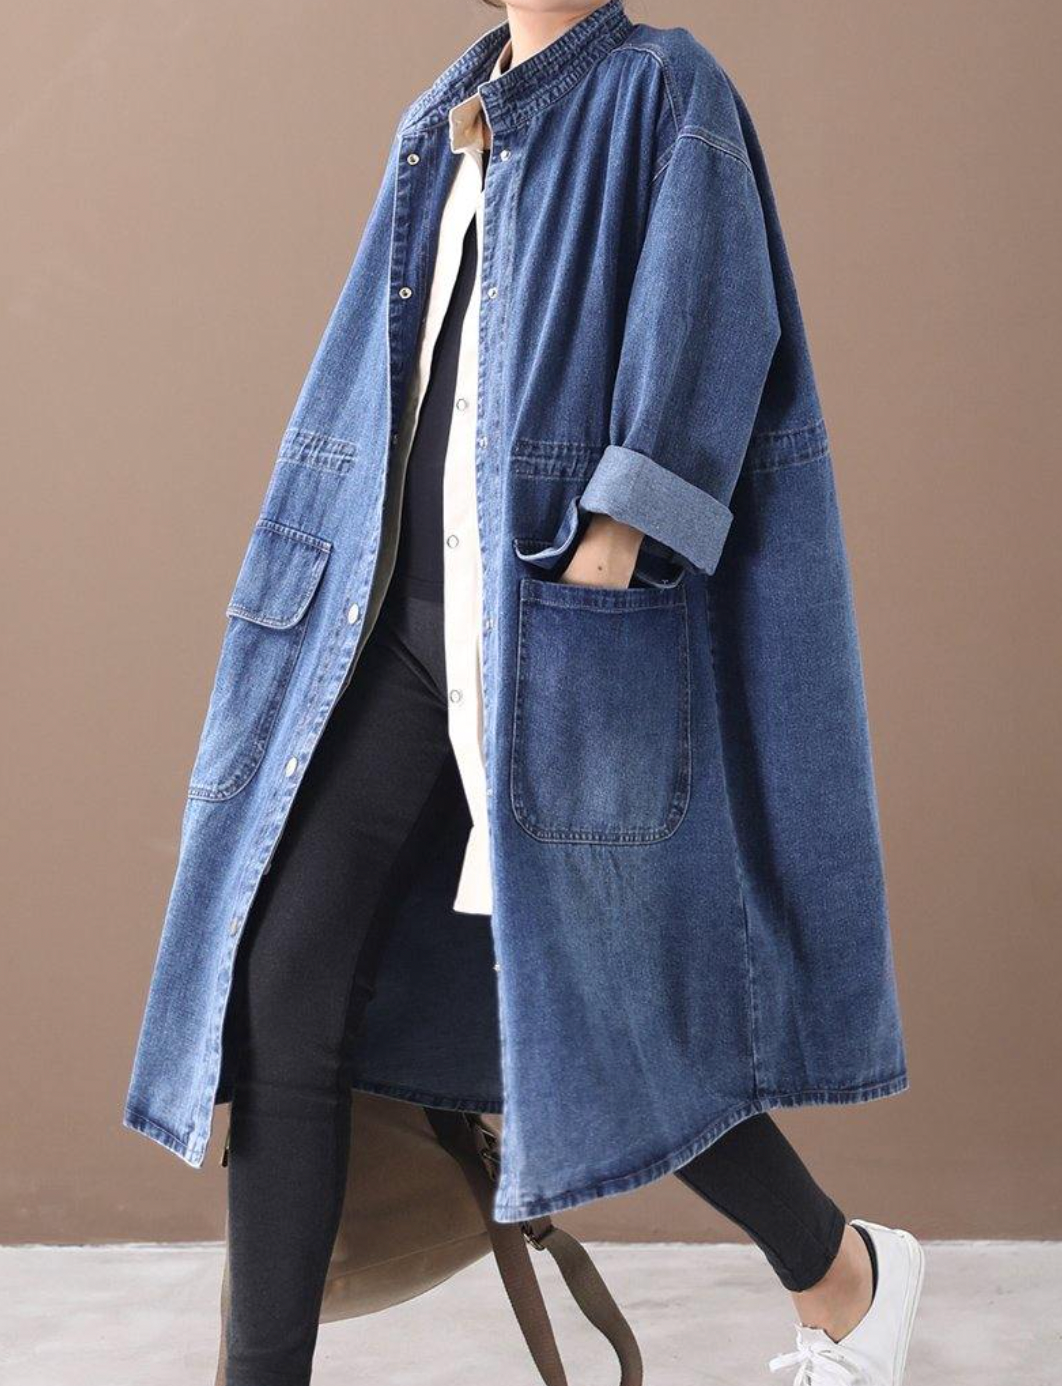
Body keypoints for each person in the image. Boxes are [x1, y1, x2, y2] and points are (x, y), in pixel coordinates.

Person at [123, 4, 922, 1382]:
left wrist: (612, 552)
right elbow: (372, 392)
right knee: (284, 981)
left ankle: (843, 1274)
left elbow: (711, 333)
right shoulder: (437, 120)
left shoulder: (664, 88)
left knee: (611, 1002)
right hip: (398, 632)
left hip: (557, 633)